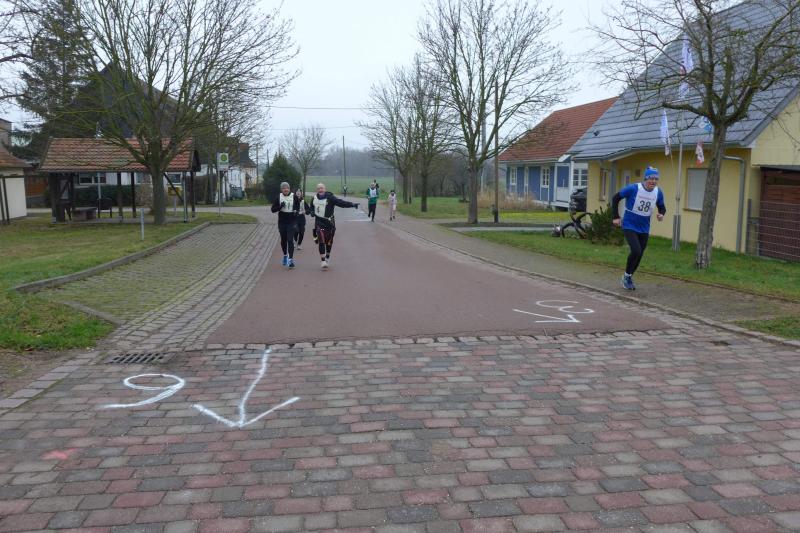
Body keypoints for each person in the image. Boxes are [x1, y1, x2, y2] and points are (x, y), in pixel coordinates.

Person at [612, 166, 666, 290]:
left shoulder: (658, 192)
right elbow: (616, 198)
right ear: (645, 178)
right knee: (636, 250)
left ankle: (628, 276)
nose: (653, 181)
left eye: (656, 179)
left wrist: (661, 214)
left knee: (640, 254)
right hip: (629, 224)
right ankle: (627, 277)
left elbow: (662, 207)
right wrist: (616, 217)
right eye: (651, 178)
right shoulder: (634, 188)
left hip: (644, 227)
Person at [308, 182, 359, 269]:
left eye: (322, 188)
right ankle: (323, 261)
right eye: (318, 188)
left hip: (329, 223)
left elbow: (341, 203)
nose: (320, 190)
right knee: (321, 240)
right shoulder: (314, 198)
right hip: (319, 222)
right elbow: (311, 207)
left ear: (325, 189)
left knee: (329, 242)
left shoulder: (330, 197)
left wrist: (352, 204)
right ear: (317, 190)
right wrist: (312, 211)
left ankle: (327, 256)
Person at [271, 181, 301, 269]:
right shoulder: (278, 197)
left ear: (289, 189)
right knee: (283, 240)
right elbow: (273, 210)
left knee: (290, 240)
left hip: (291, 221)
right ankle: (285, 255)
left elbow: (297, 206)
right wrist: (280, 207)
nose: (286, 189)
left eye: (287, 188)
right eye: (284, 188)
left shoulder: (294, 196)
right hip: (282, 222)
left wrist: (296, 212)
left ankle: (290, 260)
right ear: (281, 189)